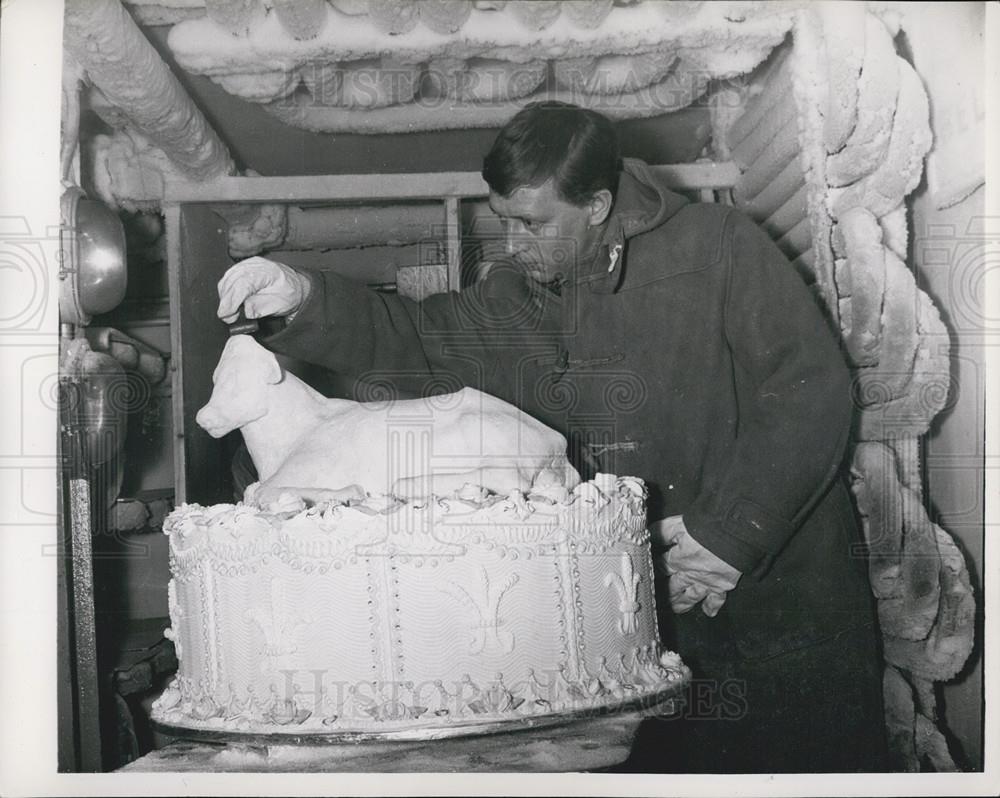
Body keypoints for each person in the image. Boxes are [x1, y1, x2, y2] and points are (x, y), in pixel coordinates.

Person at [215, 101, 887, 773]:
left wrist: (733, 534)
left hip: (786, 613)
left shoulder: (720, 246)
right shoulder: (520, 293)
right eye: (502, 220)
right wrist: (302, 295)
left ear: (596, 204)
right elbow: (414, 338)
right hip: (658, 628)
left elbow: (811, 392)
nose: (512, 244)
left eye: (532, 224)